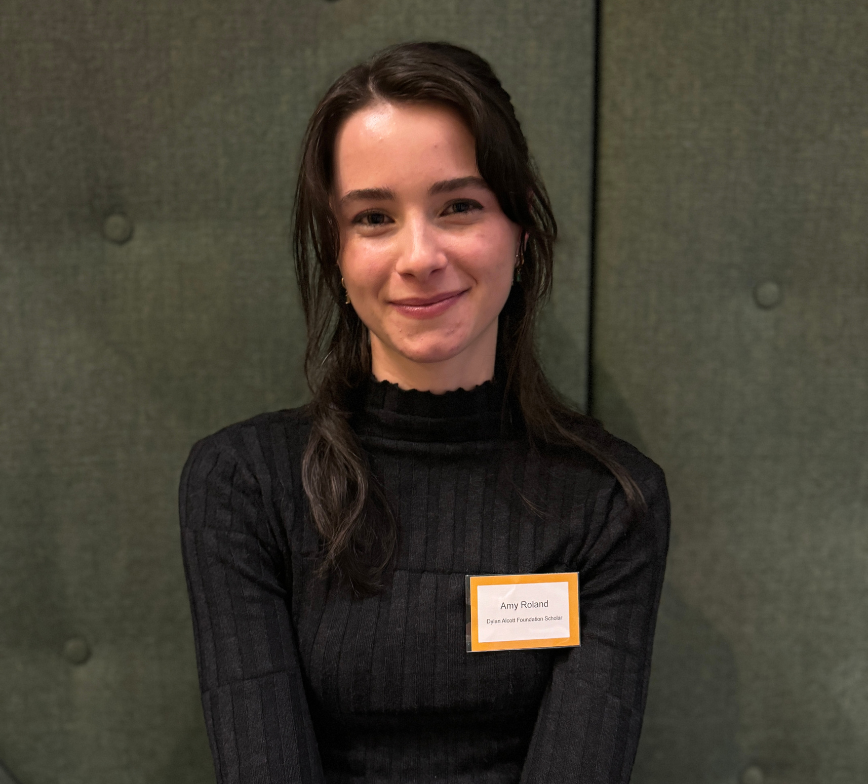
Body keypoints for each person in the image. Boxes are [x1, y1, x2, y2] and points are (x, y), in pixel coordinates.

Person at [179, 41, 670, 784]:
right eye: (374, 218)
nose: (419, 255)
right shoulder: (244, 485)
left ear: (521, 233)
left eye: (459, 207)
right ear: (337, 256)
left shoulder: (610, 504)